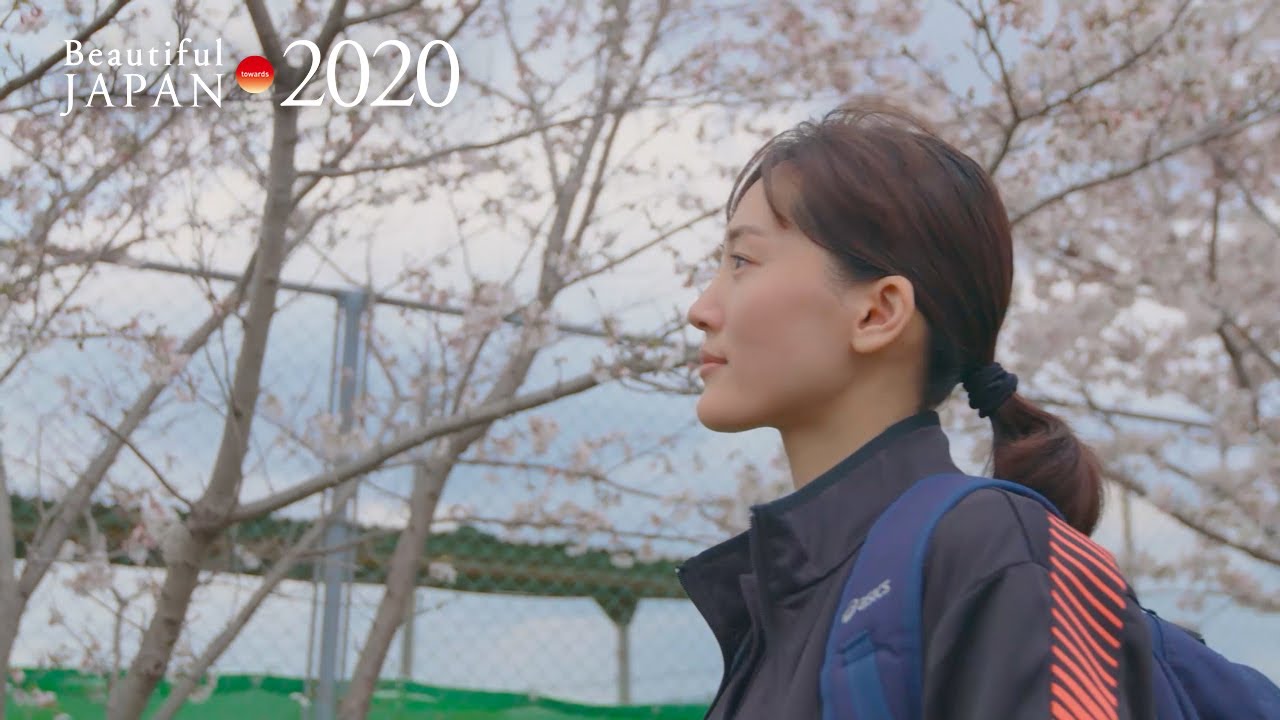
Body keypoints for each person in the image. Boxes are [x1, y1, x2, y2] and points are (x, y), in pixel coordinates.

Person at [677, 99, 1156, 719]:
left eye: (742, 261)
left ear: (878, 313)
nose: (701, 309)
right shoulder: (786, 602)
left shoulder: (993, 553)